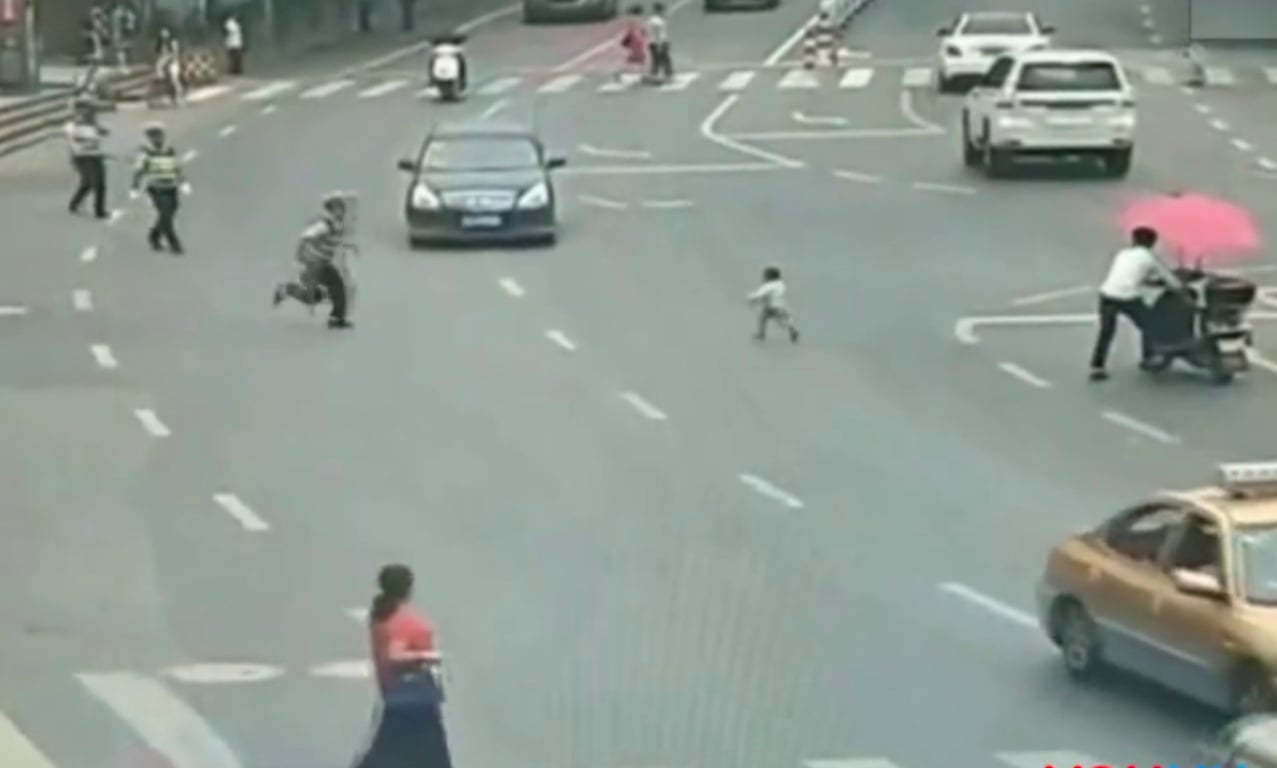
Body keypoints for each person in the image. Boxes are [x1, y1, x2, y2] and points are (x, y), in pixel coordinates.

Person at [351, 564, 454, 768]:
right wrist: (427, 656)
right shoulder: (402, 621)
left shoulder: (381, 616)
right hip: (414, 699)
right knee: (430, 756)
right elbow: (395, 655)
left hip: (395, 696)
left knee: (387, 753)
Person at [1089, 226, 1181, 381]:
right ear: (1152, 243)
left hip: (1107, 294)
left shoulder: (1123, 254)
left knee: (1106, 332)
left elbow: (1132, 275)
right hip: (1127, 297)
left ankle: (1097, 366)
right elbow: (1172, 282)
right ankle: (1148, 357)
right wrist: (1178, 286)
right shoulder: (1148, 258)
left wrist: (1151, 282)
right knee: (1151, 324)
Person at [273, 193, 353, 329]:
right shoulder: (324, 225)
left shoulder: (337, 226)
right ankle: (287, 290)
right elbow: (307, 236)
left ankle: (336, 317)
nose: (340, 212)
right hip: (313, 264)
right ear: (331, 210)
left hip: (323, 264)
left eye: (342, 209)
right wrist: (300, 254)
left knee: (326, 291)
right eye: (337, 209)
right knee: (323, 291)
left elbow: (337, 242)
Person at [130, 122, 187, 254]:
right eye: (152, 136)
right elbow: (138, 171)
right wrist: (135, 187)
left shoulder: (169, 151)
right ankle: (174, 243)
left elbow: (176, 167)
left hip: (171, 187)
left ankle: (154, 235)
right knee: (165, 215)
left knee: (169, 213)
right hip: (156, 188)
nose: (156, 139)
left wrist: (183, 182)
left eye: (158, 135)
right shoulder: (146, 153)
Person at [65, 99, 109, 220]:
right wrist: (93, 128)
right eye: (85, 110)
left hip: (95, 155)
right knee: (96, 183)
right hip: (82, 157)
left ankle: (75, 204)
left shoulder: (92, 125)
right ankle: (99, 211)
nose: (90, 113)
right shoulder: (72, 126)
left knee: (89, 183)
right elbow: (80, 139)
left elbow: (103, 133)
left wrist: (96, 127)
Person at [747, 266, 800, 343]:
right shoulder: (781, 284)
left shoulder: (767, 286)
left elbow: (759, 295)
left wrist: (750, 297)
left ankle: (761, 334)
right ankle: (792, 330)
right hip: (780, 305)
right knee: (784, 319)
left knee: (762, 318)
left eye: (765, 275)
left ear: (769, 277)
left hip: (770, 307)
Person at [616, 6, 648, 83]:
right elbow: (640, 31)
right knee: (637, 58)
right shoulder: (637, 20)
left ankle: (623, 73)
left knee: (635, 59)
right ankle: (640, 75)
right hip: (636, 41)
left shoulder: (634, 20)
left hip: (636, 41)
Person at [646, 3, 672, 82]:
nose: (663, 12)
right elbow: (657, 33)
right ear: (657, 10)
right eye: (662, 10)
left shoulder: (653, 20)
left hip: (655, 42)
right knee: (663, 58)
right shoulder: (656, 21)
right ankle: (667, 74)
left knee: (657, 59)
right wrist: (659, 45)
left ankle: (655, 73)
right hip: (658, 42)